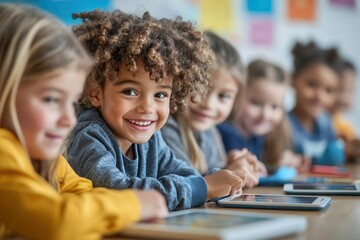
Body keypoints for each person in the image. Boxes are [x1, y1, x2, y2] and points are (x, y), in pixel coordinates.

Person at [0, 4, 168, 240]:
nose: (69, 120)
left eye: (71, 102)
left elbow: (82, 193)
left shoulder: (46, 160)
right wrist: (134, 204)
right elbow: (56, 221)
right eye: (51, 99)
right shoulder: (3, 150)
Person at [66, 10, 246, 211]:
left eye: (160, 95)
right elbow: (120, 194)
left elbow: (185, 174)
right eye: (130, 91)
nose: (147, 108)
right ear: (96, 93)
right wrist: (203, 187)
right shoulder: (88, 137)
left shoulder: (151, 138)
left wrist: (214, 180)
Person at [161, 31, 266, 187]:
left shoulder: (210, 131)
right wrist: (229, 171)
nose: (209, 105)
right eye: (200, 89)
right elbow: (186, 187)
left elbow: (211, 177)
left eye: (223, 96)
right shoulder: (165, 127)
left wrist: (233, 166)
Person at [218, 59, 308, 173]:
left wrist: (289, 160)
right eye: (256, 103)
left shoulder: (262, 137)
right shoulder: (226, 134)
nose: (266, 115)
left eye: (275, 107)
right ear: (237, 95)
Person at [288, 41, 345, 166]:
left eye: (328, 90)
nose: (320, 96)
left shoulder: (326, 122)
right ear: (293, 79)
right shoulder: (283, 124)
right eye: (311, 85)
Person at [330, 59, 360, 162]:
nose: (345, 98)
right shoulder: (320, 122)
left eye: (351, 90)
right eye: (341, 89)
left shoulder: (346, 126)